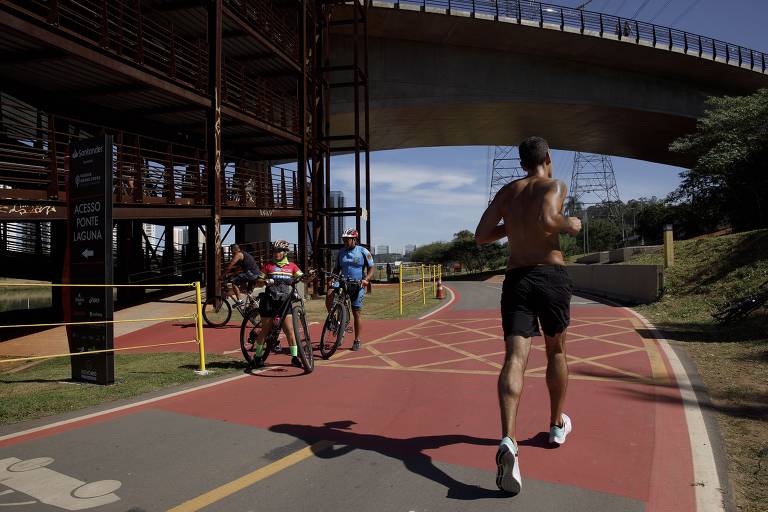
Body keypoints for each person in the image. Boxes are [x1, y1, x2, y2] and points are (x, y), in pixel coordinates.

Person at [474, 136, 582, 495]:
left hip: (517, 279)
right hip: (549, 276)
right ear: (548, 158)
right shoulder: (554, 184)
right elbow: (550, 218)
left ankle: (508, 439)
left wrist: (513, 227)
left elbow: (482, 235)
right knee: (556, 352)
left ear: (521, 163)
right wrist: (571, 225)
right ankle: (555, 424)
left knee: (515, 358)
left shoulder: (507, 192)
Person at [251, 240, 308, 368]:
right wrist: (266, 281)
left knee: (289, 330)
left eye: (279, 251)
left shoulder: (292, 266)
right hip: (269, 301)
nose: (276, 253)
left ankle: (294, 357)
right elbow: (258, 282)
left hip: (285, 301)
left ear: (285, 253)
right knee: (265, 330)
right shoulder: (268, 266)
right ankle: (258, 357)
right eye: (275, 251)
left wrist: (309, 277)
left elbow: (302, 278)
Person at [326, 228, 374, 351]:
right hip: (342, 282)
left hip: (357, 284)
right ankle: (333, 318)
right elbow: (337, 269)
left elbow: (371, 268)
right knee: (330, 292)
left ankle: (357, 339)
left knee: (356, 312)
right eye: (344, 240)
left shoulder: (363, 251)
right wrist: (332, 278)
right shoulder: (341, 252)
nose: (345, 242)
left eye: (347, 240)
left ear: (354, 239)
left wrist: (366, 280)